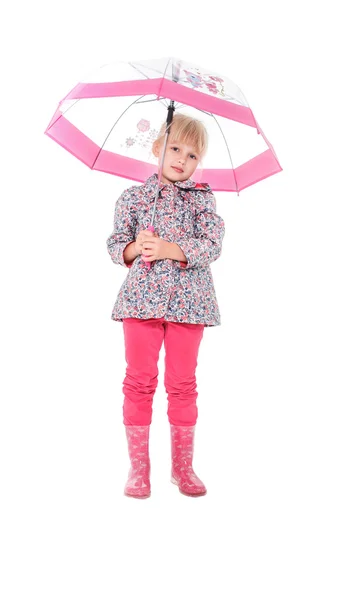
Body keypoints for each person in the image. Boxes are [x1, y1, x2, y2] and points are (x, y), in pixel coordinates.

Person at [106, 113, 225, 499]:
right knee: (138, 382)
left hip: (190, 305)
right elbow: (115, 244)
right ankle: (139, 469)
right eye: (174, 148)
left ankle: (183, 468)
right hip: (141, 302)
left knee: (182, 384)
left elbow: (211, 246)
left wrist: (172, 249)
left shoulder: (203, 200)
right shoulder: (134, 198)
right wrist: (133, 248)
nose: (181, 159)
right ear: (158, 148)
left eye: (192, 155)